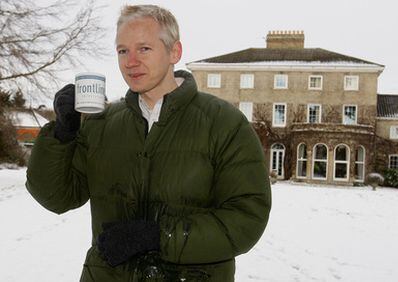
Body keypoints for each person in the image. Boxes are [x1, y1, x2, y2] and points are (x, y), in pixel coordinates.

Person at [26, 4, 271, 281]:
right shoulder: (101, 124)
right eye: (122, 50)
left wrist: (159, 237)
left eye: (143, 49)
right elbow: (57, 197)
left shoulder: (224, 123)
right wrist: (63, 133)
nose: (130, 61)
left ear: (174, 52)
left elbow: (247, 218)